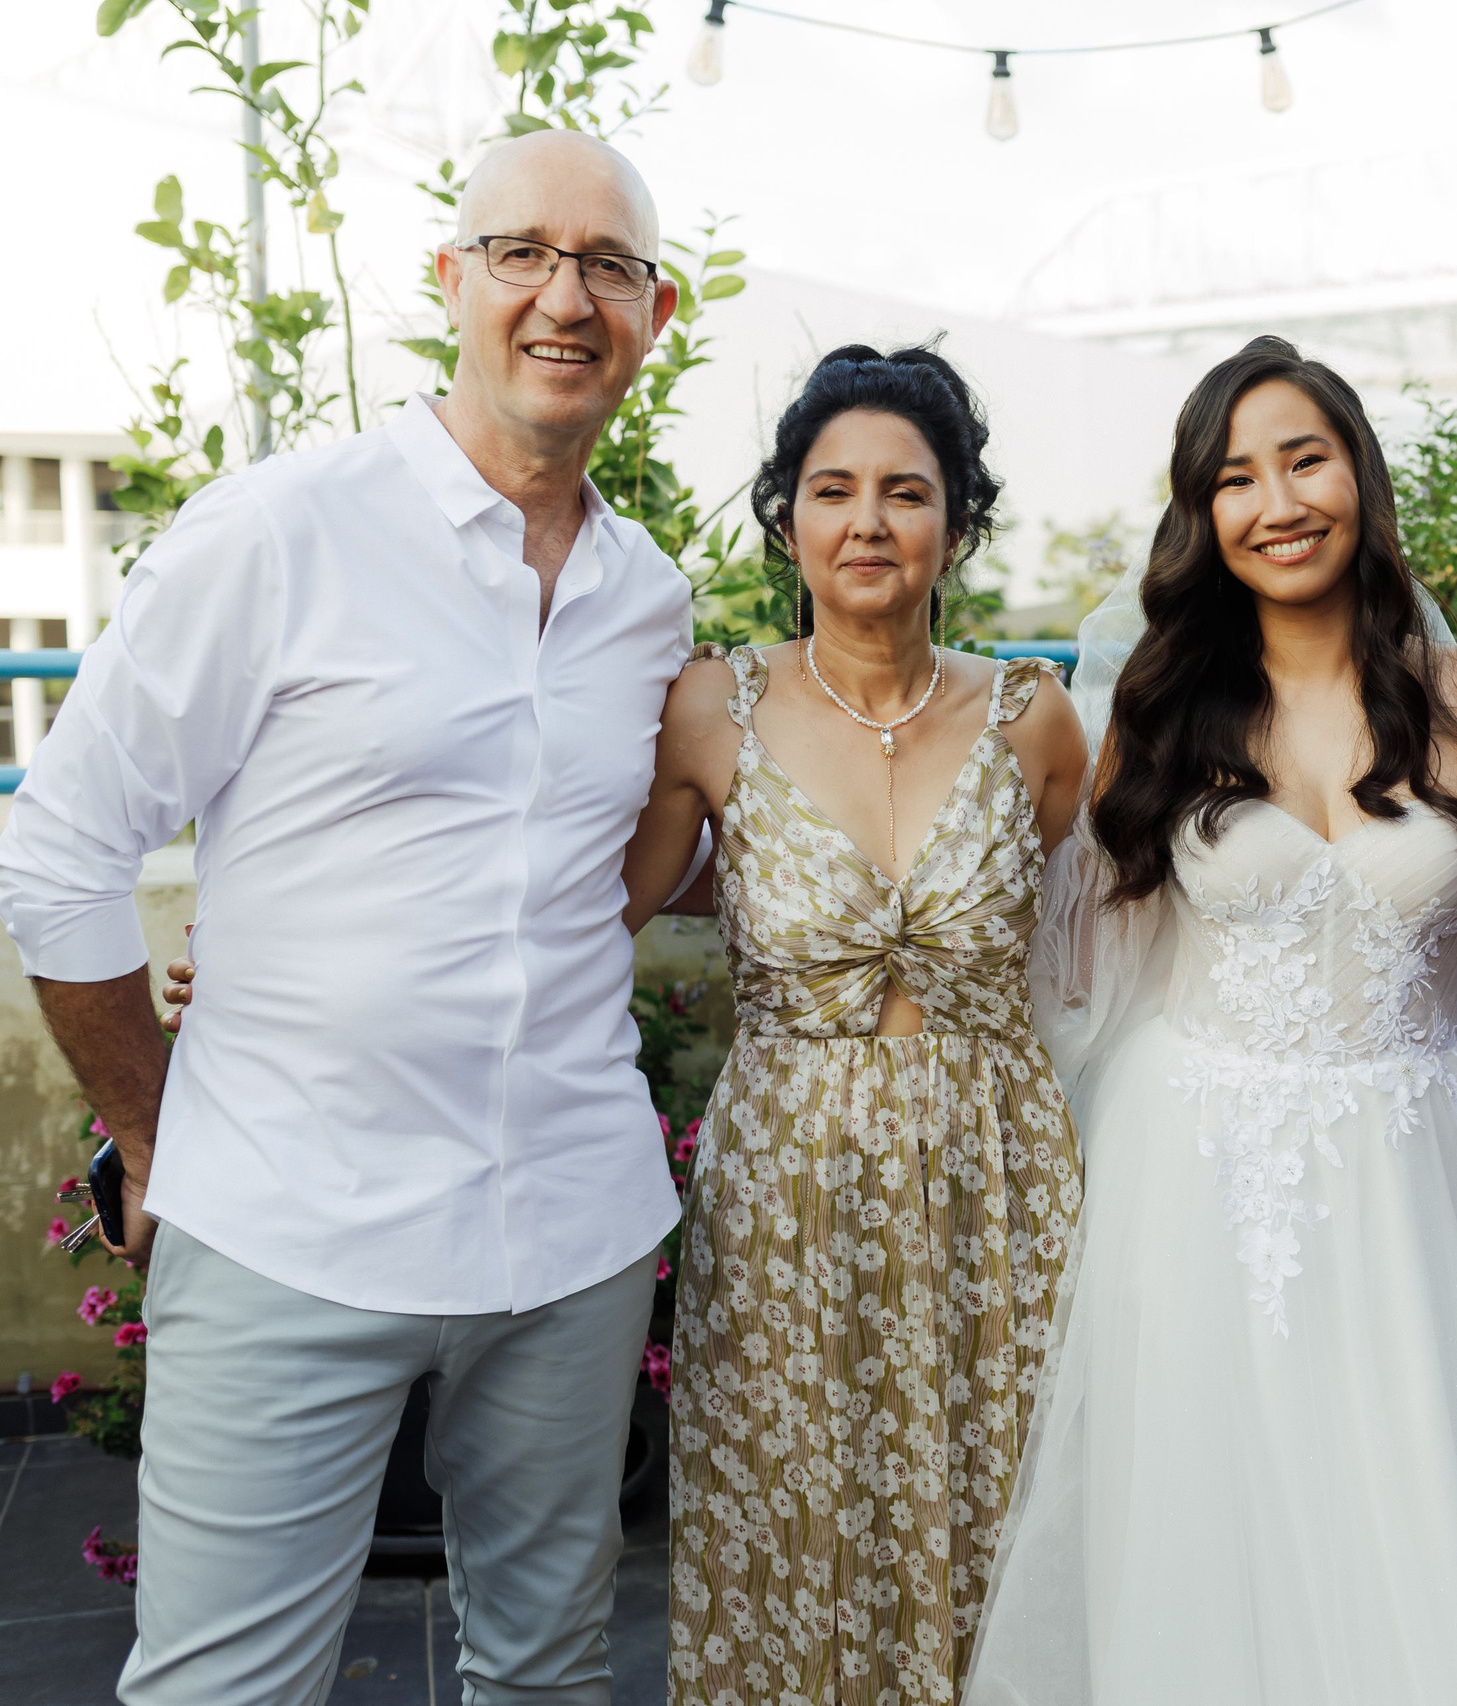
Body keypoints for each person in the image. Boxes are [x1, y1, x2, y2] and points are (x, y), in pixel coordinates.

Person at [0, 131, 690, 1703]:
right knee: (225, 1688)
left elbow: (626, 854)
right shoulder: (277, 533)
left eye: (607, 266)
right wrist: (152, 1132)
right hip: (288, 1231)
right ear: (449, 283)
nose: (564, 296)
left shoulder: (650, 598)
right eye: (523, 252)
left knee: (550, 1675)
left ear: (656, 313)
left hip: (569, 1236)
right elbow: (62, 850)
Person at [965, 336, 1457, 1704]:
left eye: (1305, 458)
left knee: (1428, 1508)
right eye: (1236, 475)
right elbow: (1089, 971)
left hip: (1413, 1183)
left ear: (1360, 476)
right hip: (1201, 1174)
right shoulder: (1163, 713)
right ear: (1202, 515)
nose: (1277, 499)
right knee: (1211, 1522)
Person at [615, 343, 1090, 1706]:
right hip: (790, 1184)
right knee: (794, 1517)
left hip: (1003, 1180)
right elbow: (589, 909)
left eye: (906, 491)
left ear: (958, 521)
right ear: (786, 520)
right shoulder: (717, 707)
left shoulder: (1032, 718)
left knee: (1003, 1504)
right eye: (832, 490)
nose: (868, 522)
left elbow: (1113, 930)